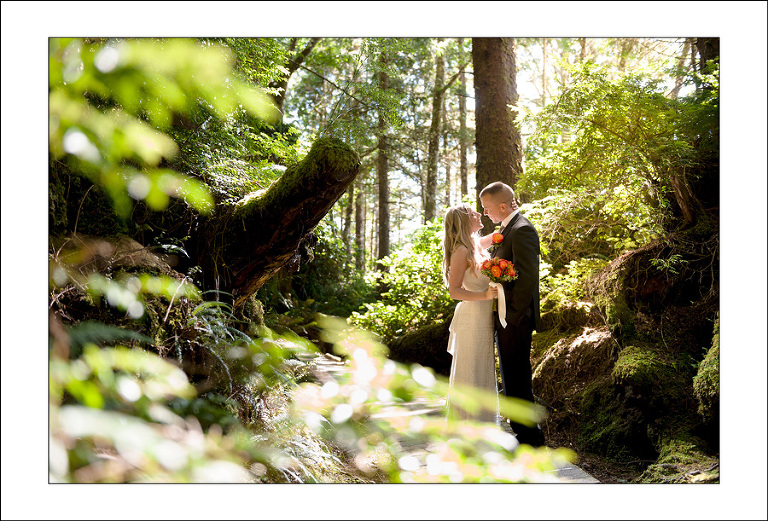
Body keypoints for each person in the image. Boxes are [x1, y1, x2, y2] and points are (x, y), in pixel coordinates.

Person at [479, 181, 546, 447]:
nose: (485, 214)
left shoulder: (522, 230)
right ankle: (523, 432)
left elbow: (528, 278)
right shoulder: (506, 230)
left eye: (487, 208)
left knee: (518, 376)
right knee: (510, 375)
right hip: (506, 316)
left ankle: (532, 437)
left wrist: (514, 316)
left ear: (503, 206)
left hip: (516, 318)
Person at [442, 203, 500, 424]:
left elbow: (496, 236)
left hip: (483, 319)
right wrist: (485, 296)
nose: (479, 214)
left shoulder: (474, 244)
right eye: (473, 212)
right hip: (470, 319)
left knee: (482, 369)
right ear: (464, 221)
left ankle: (483, 427)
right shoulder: (461, 251)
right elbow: (454, 291)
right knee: (470, 371)